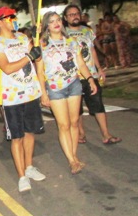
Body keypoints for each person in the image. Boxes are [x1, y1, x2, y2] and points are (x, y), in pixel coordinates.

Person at [0, 7, 46, 192]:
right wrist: (29, 56)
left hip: (30, 94)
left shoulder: (22, 37)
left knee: (30, 133)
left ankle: (29, 167)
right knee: (17, 137)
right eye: (10, 17)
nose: (14, 19)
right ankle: (21, 176)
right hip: (12, 98)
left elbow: (37, 58)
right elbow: (7, 68)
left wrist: (37, 42)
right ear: (0, 22)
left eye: (14, 16)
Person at [36, 11, 97, 174]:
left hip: (74, 85)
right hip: (55, 88)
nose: (56, 23)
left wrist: (90, 79)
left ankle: (74, 156)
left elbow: (81, 64)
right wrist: (43, 93)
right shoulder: (41, 44)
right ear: (46, 26)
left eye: (58, 20)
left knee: (74, 122)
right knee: (63, 125)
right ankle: (71, 161)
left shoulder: (71, 41)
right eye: (51, 21)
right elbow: (39, 71)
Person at [63, 5, 122, 145]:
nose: (75, 16)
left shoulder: (87, 31)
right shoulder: (63, 33)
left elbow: (92, 50)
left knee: (98, 104)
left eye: (76, 13)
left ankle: (106, 134)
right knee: (76, 109)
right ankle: (81, 133)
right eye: (71, 14)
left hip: (91, 75)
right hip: (73, 77)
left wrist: (99, 68)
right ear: (65, 18)